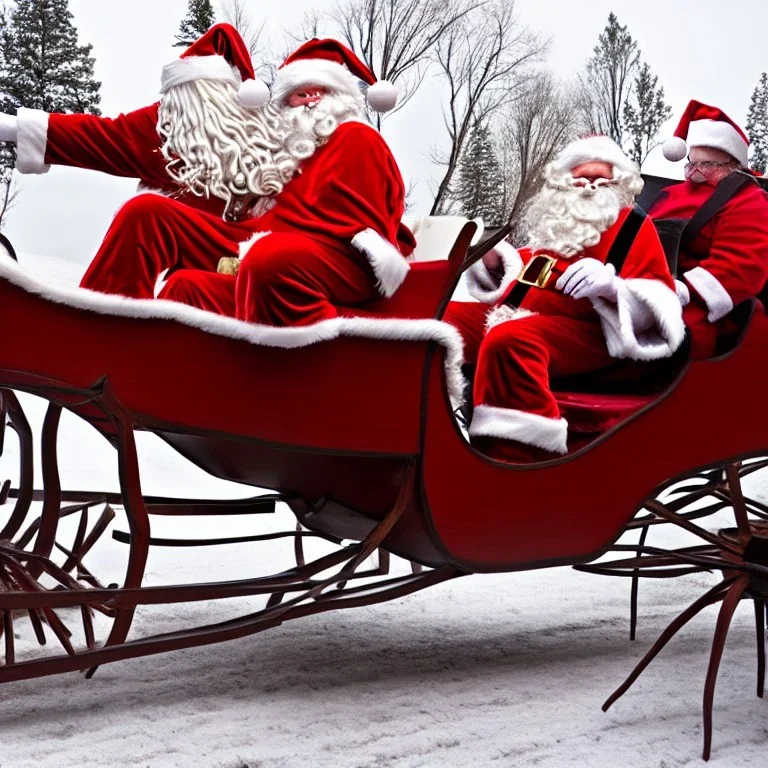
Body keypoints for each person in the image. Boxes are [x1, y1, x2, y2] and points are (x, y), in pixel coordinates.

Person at [445, 136, 685, 463]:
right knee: (445, 319)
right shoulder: (558, 221)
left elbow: (660, 306)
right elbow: (531, 269)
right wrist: (497, 262)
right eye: (581, 178)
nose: (589, 187)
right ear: (565, 181)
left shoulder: (633, 227)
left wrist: (612, 288)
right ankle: (424, 423)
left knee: (512, 340)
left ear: (619, 184)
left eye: (602, 181)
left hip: (591, 333)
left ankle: (518, 455)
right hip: (526, 313)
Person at [157, 38, 412, 327]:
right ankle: (154, 359)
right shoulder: (287, 158)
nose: (310, 101)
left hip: (343, 265)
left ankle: (271, 362)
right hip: (276, 263)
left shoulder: (358, 138)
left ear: (341, 99)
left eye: (320, 92)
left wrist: (260, 249)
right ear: (284, 104)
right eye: (299, 93)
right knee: (185, 283)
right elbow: (265, 224)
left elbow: (359, 226)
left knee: (268, 257)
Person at [650, 100, 768, 358]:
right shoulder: (667, 194)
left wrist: (679, 292)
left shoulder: (746, 199)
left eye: (708, 165)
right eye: (692, 163)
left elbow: (742, 265)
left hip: (696, 312)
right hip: (637, 292)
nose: (695, 173)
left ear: (732, 165)